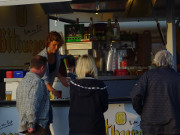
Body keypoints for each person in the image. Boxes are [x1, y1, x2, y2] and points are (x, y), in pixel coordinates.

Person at [131, 50, 180, 135]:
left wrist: (141, 111)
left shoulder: (148, 76)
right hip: (173, 124)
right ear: (171, 61)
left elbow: (135, 95)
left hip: (150, 124)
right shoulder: (177, 78)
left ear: (156, 61)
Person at [69, 55, 109, 135]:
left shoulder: (73, 84)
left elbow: (72, 103)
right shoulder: (100, 85)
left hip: (76, 127)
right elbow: (104, 107)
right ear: (93, 66)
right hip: (95, 127)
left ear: (79, 67)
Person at [16, 55, 51, 135]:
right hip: (38, 127)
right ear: (42, 68)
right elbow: (31, 104)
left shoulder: (22, 82)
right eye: (45, 69)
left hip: (27, 126)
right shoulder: (37, 82)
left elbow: (19, 105)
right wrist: (31, 124)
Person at [38, 31, 69, 96]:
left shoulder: (56, 54)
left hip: (46, 90)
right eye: (54, 45)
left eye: (58, 45)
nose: (56, 48)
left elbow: (53, 70)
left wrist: (61, 77)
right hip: (37, 90)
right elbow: (44, 80)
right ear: (48, 43)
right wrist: (53, 90)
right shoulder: (42, 57)